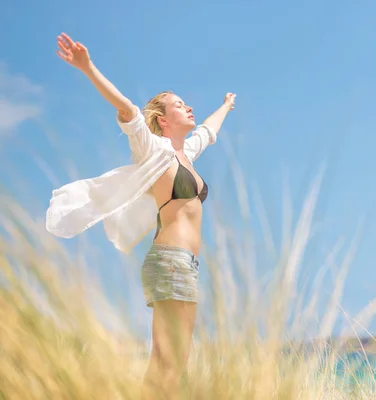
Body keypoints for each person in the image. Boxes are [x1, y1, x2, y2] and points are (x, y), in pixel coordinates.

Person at [45, 32, 235, 398]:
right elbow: (128, 111)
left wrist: (226, 104)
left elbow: (209, 131)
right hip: (170, 261)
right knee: (169, 359)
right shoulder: (153, 151)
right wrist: (87, 67)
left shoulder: (186, 155)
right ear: (163, 120)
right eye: (179, 104)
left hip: (187, 264)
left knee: (175, 361)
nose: (188, 107)